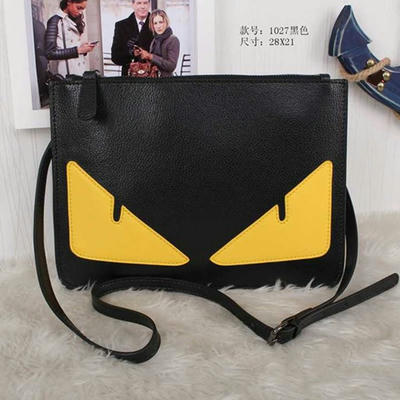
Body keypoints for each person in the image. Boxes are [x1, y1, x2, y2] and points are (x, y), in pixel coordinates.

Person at [45, 0, 95, 77]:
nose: (80, 12)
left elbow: (72, 46)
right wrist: (78, 50)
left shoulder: (74, 20)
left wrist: (84, 49)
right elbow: (50, 53)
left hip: (80, 71)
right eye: (78, 8)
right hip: (65, 74)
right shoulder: (55, 21)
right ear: (69, 2)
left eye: (82, 9)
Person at [111, 0, 154, 76]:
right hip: (129, 77)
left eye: (145, 3)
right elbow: (115, 57)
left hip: (152, 76)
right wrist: (131, 53)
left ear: (149, 4)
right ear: (133, 5)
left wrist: (148, 55)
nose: (142, 6)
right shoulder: (121, 26)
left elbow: (165, 57)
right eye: (139, 3)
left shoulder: (158, 24)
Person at [134, 9, 180, 77]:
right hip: (154, 80)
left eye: (161, 22)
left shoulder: (173, 40)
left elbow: (171, 66)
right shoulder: (154, 40)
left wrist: (150, 56)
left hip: (167, 81)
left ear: (166, 22)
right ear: (152, 25)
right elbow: (152, 64)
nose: (158, 26)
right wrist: (142, 54)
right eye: (155, 23)